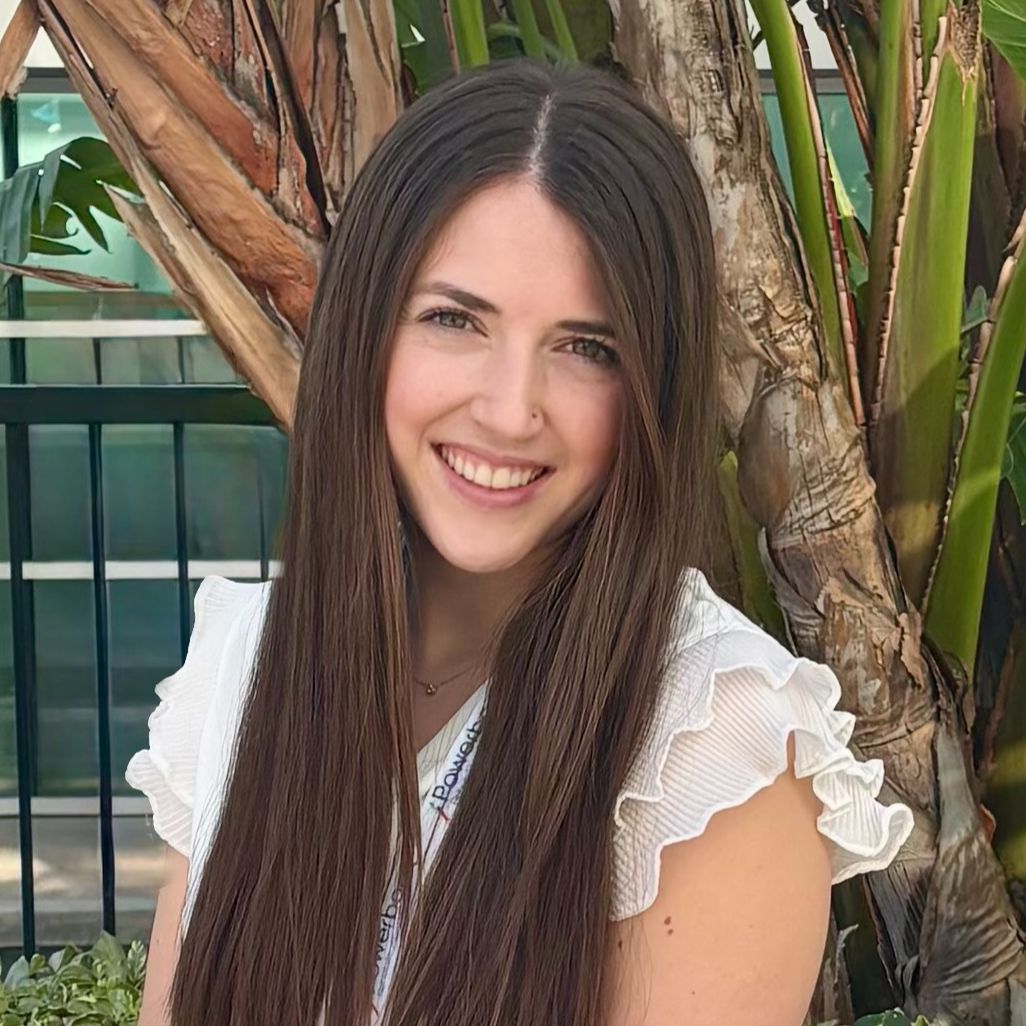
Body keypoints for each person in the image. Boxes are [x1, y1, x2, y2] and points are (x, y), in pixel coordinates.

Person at [126, 57, 914, 1026]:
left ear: (654, 388)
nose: (509, 411)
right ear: (364, 334)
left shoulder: (711, 746)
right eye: (455, 320)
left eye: (587, 348)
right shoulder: (246, 662)